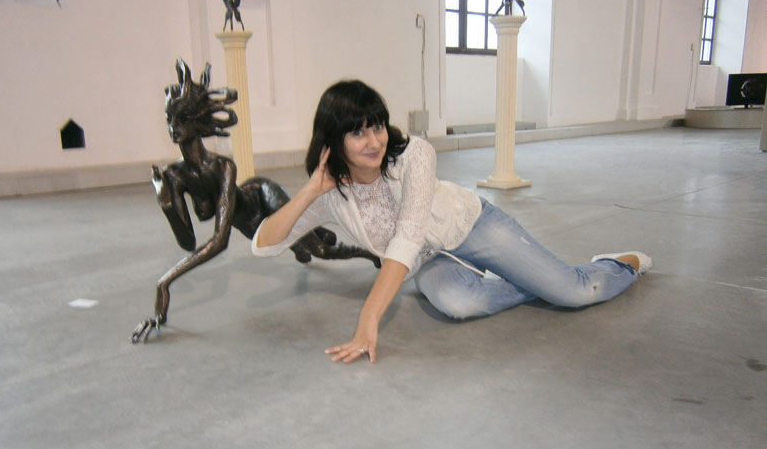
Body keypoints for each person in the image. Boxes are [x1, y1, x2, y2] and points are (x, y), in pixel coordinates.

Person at [252, 80, 652, 364]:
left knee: (575, 292)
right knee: (460, 304)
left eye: (377, 126)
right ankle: (532, 281)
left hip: (473, 227)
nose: (374, 141)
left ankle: (621, 264)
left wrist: (368, 320)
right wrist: (309, 191)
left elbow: (407, 236)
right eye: (357, 133)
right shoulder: (332, 194)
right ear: (333, 140)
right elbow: (264, 245)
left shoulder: (414, 155)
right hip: (429, 260)